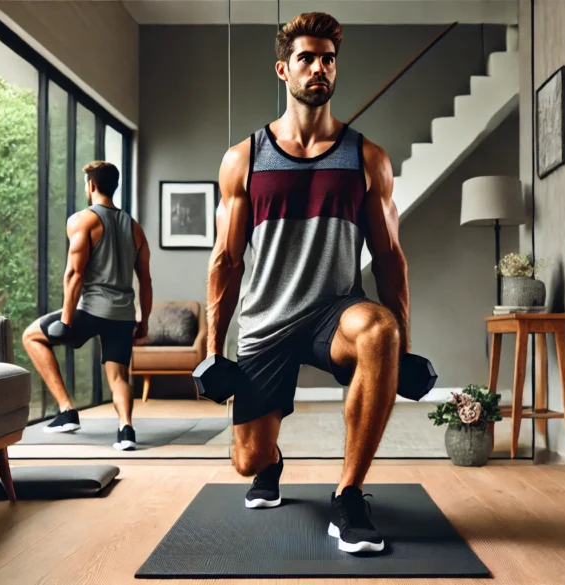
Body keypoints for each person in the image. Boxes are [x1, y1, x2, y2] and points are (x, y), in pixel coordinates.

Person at [205, 12, 408, 554]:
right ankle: (270, 466)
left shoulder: (367, 158)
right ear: (283, 70)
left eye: (328, 59)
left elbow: (390, 261)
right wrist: (210, 348)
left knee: (378, 331)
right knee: (246, 458)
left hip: (332, 313)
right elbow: (226, 261)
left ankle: (349, 495)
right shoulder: (244, 158)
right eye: (307, 58)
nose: (319, 68)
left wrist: (404, 343)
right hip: (265, 320)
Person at [22, 161, 153, 451]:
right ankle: (126, 430)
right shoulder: (135, 228)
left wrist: (67, 320)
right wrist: (143, 321)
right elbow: (145, 280)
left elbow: (74, 273)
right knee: (118, 375)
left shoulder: (83, 220)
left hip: (91, 311)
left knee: (31, 336)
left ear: (91, 185)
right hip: (123, 315)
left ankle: (67, 410)